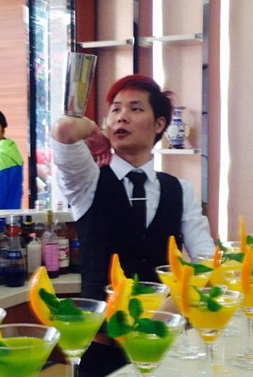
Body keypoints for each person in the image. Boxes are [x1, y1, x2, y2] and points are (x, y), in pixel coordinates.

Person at [51, 74, 215, 300]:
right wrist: (95, 132)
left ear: (159, 124)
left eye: (135, 109)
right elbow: (65, 128)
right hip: (103, 320)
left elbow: (206, 261)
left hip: (163, 319)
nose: (122, 117)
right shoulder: (87, 181)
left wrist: (176, 304)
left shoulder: (180, 190)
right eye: (115, 109)